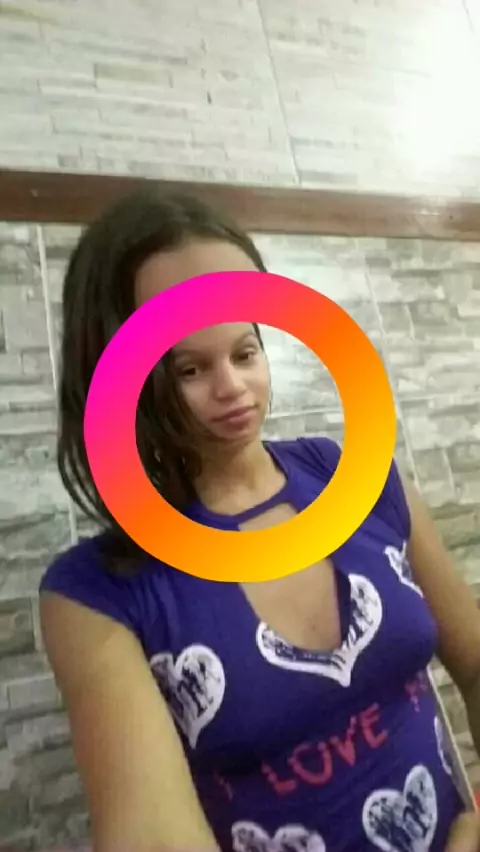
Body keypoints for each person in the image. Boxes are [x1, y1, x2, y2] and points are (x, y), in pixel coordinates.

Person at [39, 188, 480, 852]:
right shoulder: (95, 594)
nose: (233, 388)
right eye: (191, 367)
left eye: (245, 352)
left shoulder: (353, 477)